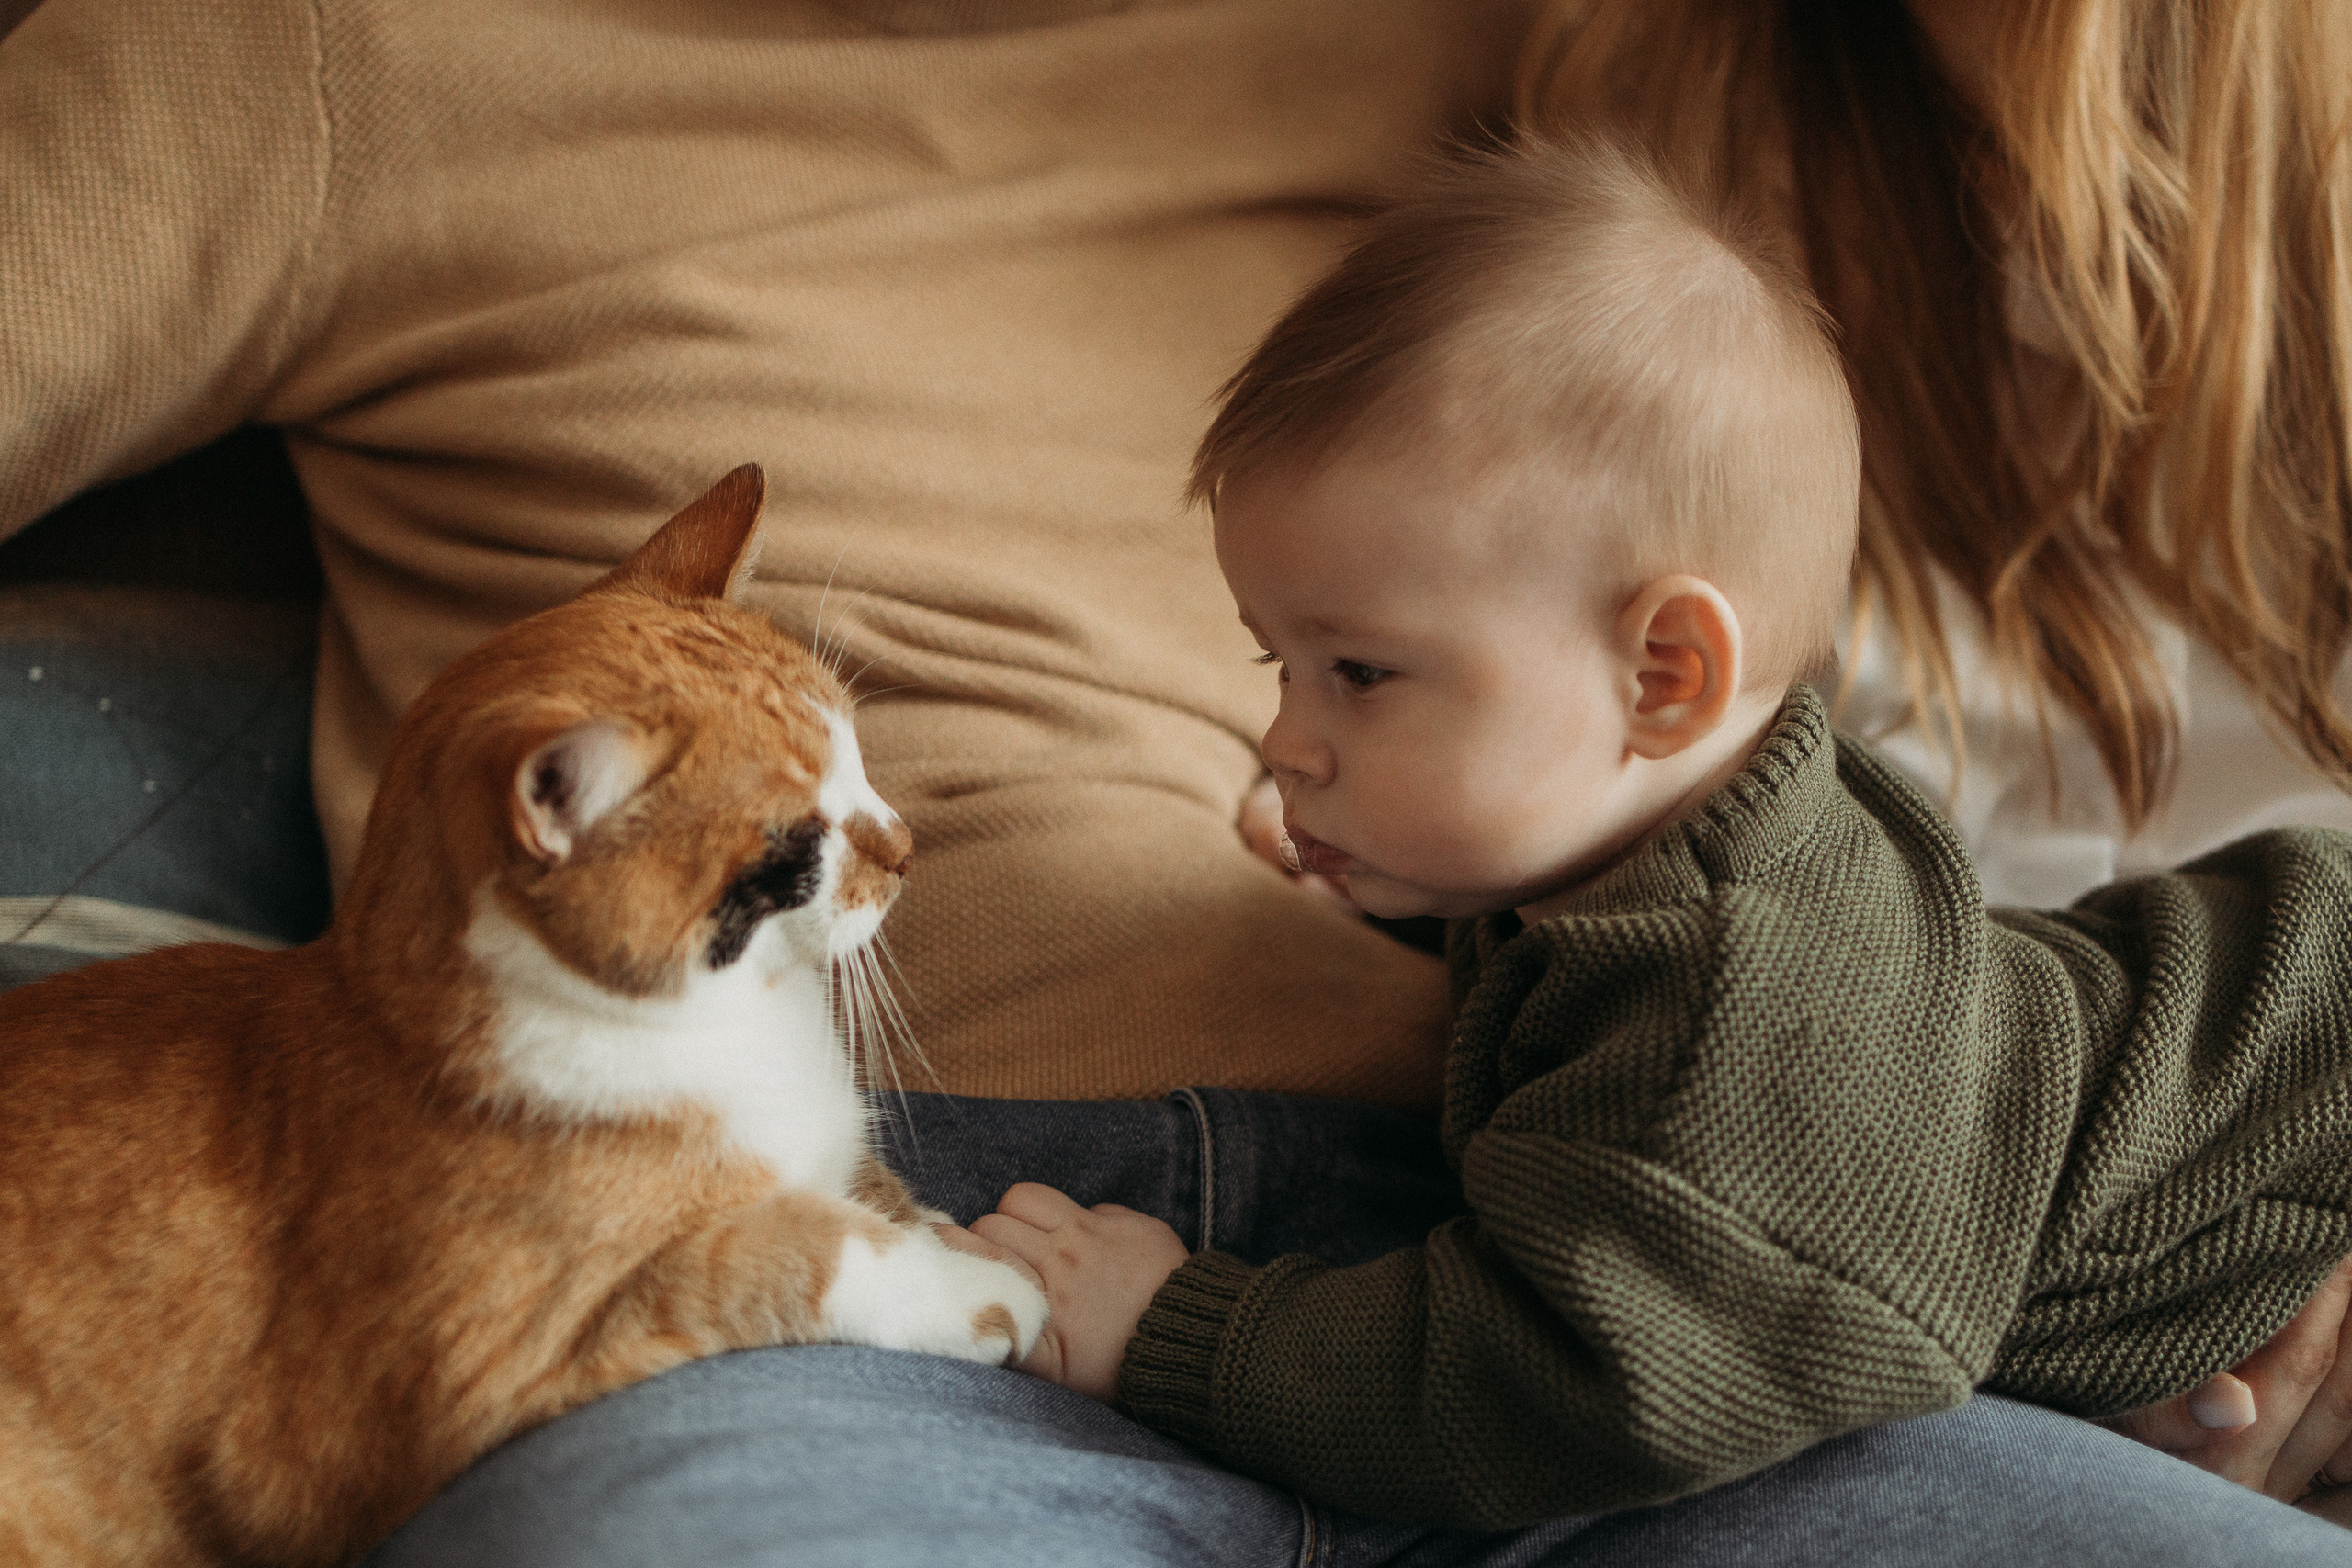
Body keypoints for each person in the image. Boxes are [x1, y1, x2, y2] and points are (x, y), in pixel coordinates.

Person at [4, 0, 2349, 1562]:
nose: (1279, 725)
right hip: (871, 1258)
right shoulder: (319, 55)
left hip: (1614, 1252)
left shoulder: (1496, 41)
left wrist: (2247, 1203)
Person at [958, 130, 2352, 1527]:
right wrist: (1404, 874)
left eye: (1361, 674)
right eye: (1281, 669)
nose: (1284, 738)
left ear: (1665, 675)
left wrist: (1183, 1330)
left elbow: (1578, 1380)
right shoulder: (1659, 853)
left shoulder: (1739, 1020)